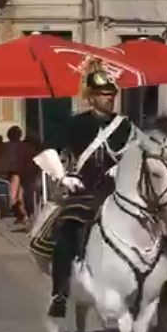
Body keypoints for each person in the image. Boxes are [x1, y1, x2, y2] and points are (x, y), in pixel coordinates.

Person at [36, 58, 136, 317]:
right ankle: (59, 293)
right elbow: (48, 149)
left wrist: (126, 167)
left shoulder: (125, 125)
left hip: (118, 191)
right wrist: (63, 177)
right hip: (86, 190)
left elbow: (140, 152)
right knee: (66, 229)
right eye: (103, 94)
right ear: (90, 98)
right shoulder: (75, 123)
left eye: (111, 94)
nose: (109, 99)